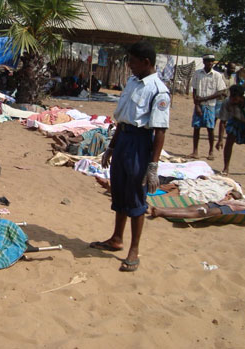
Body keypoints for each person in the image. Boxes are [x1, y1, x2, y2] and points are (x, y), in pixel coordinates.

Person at [89, 40, 170, 272]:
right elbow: (123, 119)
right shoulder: (133, 82)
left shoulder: (159, 90)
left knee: (136, 196)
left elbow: (160, 131)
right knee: (120, 190)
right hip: (124, 139)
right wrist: (112, 147)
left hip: (140, 144)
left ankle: (134, 250)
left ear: (146, 62)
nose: (130, 66)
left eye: (133, 62)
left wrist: (152, 166)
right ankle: (116, 237)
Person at [190, 55, 226, 160]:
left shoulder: (217, 75)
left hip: (210, 105)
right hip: (199, 105)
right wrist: (197, 105)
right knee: (196, 128)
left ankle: (211, 151)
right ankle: (195, 151)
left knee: (210, 128)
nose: (210, 63)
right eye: (208, 61)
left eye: (212, 62)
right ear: (204, 62)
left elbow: (220, 91)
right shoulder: (197, 74)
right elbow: (195, 90)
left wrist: (205, 98)